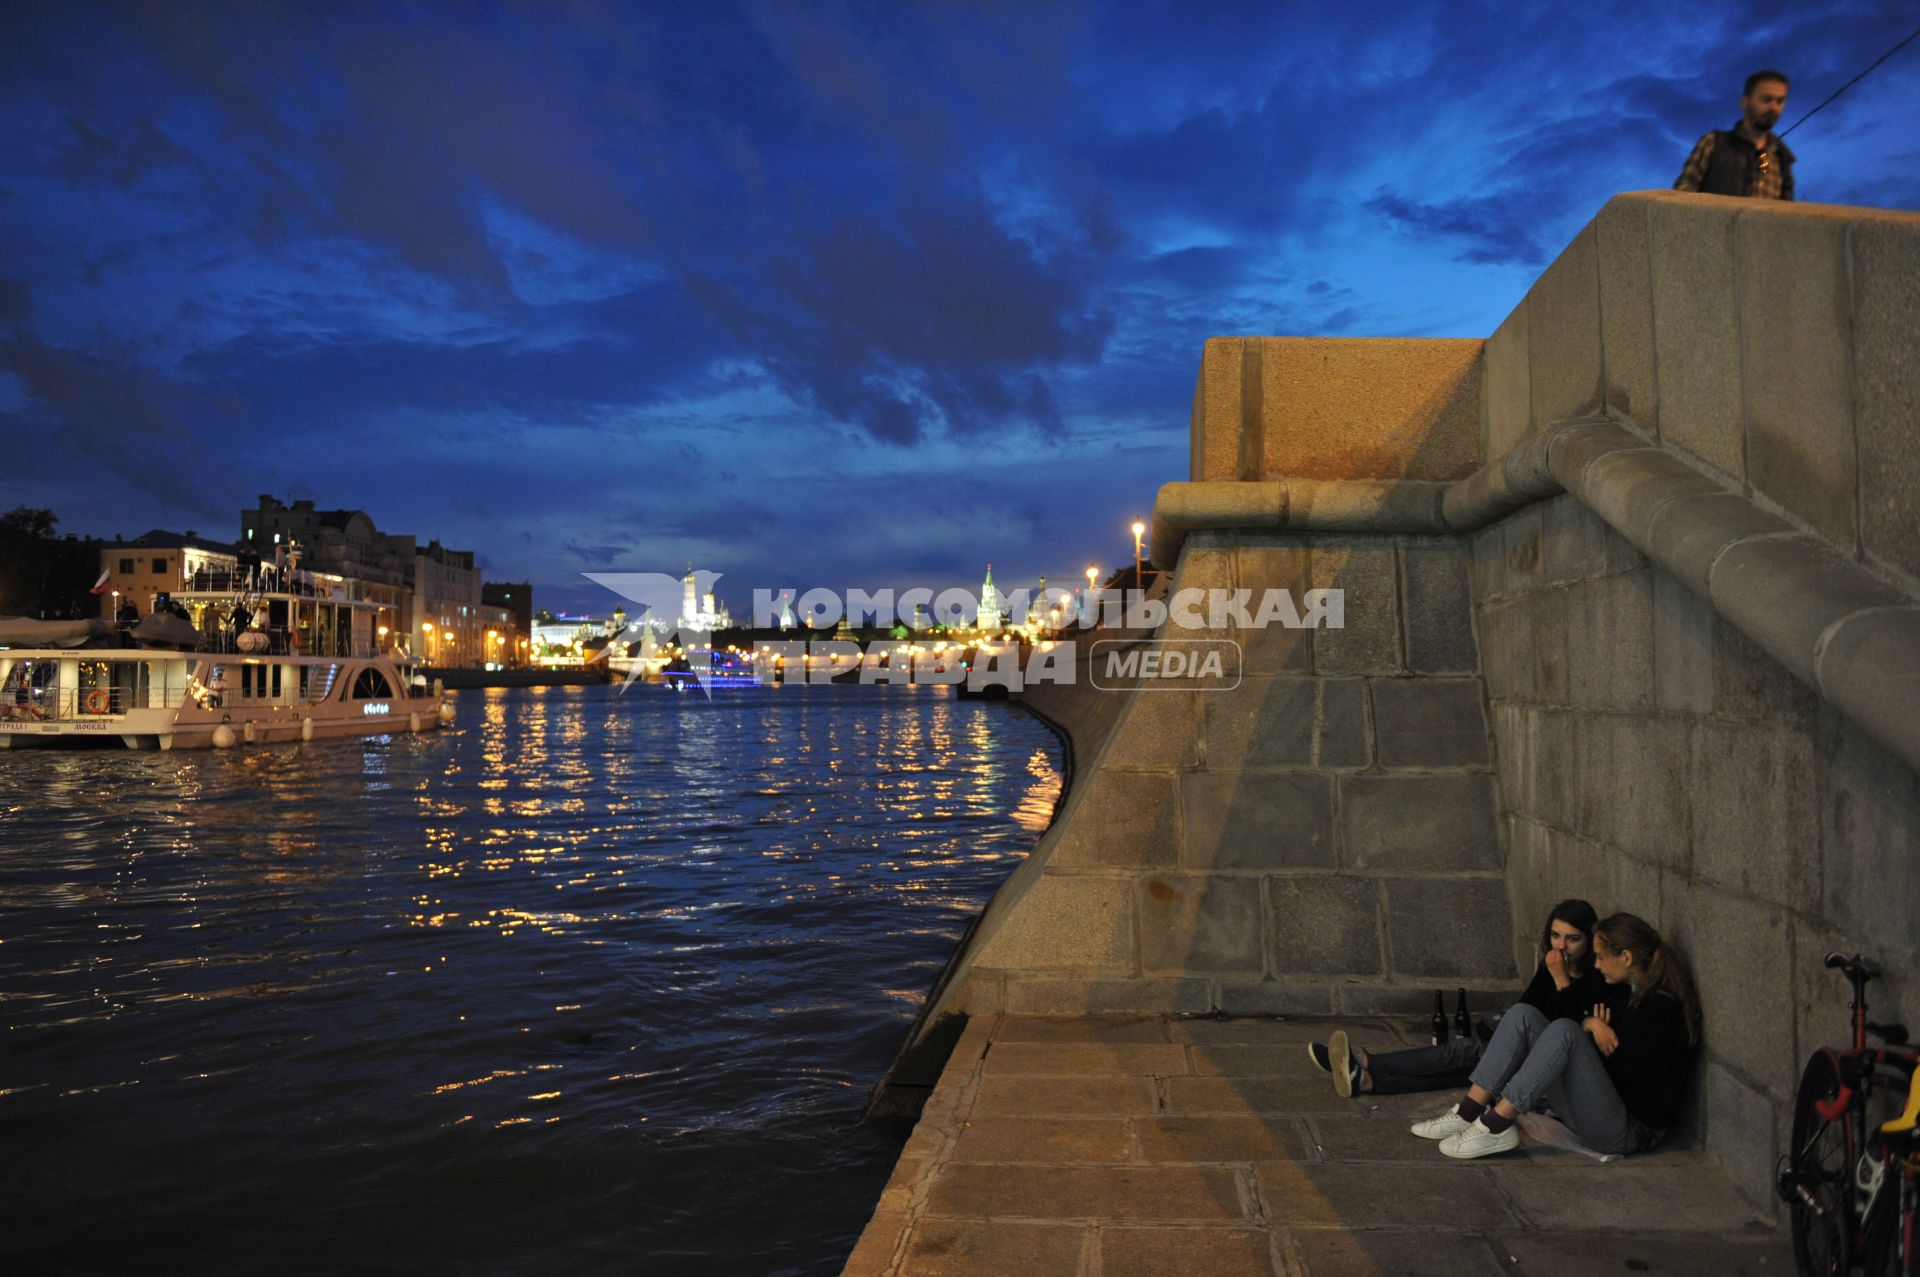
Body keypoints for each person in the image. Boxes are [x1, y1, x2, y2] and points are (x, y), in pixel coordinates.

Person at [1414, 912, 1700, 1160]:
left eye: (1600, 958)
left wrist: (1587, 1045)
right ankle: (1468, 1110)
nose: (1596, 966)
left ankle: (1496, 1125)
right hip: (1606, 1107)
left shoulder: (1660, 1008)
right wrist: (1590, 1023)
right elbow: (1569, 1014)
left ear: (1626, 958)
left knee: (1565, 1032)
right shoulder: (1627, 991)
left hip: (1628, 1130)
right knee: (1524, 1014)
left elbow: (1623, 1077)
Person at [1308, 899, 1602, 1097]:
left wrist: (1562, 980)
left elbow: (1569, 1026)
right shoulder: (1549, 965)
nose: (1561, 946)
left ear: (1589, 941)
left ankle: (1365, 1061)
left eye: (1572, 939)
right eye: (1555, 935)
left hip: (1552, 1069)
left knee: (1465, 1052)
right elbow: (1525, 1010)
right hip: (1526, 1050)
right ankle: (1367, 1080)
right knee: (1471, 1071)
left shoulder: (1596, 977)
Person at [1674, 70, 1794, 200]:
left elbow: (1786, 213)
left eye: (1780, 101)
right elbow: (1682, 195)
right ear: (1745, 102)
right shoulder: (1713, 143)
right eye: (1766, 100)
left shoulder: (1781, 159)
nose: (1773, 108)